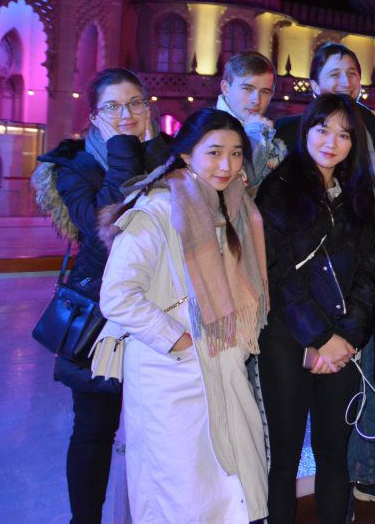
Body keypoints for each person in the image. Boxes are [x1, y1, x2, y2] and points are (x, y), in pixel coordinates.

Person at [98, 108, 267, 523]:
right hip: (170, 375)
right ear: (187, 155)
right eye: (213, 152)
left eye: (236, 153)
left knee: (228, 488)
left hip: (223, 365)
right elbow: (117, 296)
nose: (226, 165)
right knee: (178, 490)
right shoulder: (157, 208)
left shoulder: (234, 208)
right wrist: (177, 339)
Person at [33, 68, 171, 524]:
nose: (126, 113)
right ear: (94, 116)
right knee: (94, 429)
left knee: (157, 431)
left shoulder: (166, 155)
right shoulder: (72, 167)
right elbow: (105, 228)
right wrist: (121, 149)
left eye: (135, 103)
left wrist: (148, 149)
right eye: (113, 106)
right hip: (99, 317)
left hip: (161, 310)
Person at [257, 94, 375, 523]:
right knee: (286, 458)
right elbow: (278, 275)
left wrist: (346, 337)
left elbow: (372, 272)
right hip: (287, 340)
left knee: (334, 456)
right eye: (323, 129)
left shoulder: (359, 194)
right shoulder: (278, 189)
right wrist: (317, 338)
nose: (332, 141)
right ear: (306, 130)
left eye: (344, 134)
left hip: (342, 342)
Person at [274, 42, 375, 225]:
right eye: (334, 74)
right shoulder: (284, 133)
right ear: (315, 85)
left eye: (352, 74)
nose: (346, 82)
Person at [217, 50, 284, 187]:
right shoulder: (203, 129)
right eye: (247, 89)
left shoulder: (266, 128)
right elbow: (244, 185)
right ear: (225, 88)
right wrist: (257, 134)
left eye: (265, 92)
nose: (256, 100)